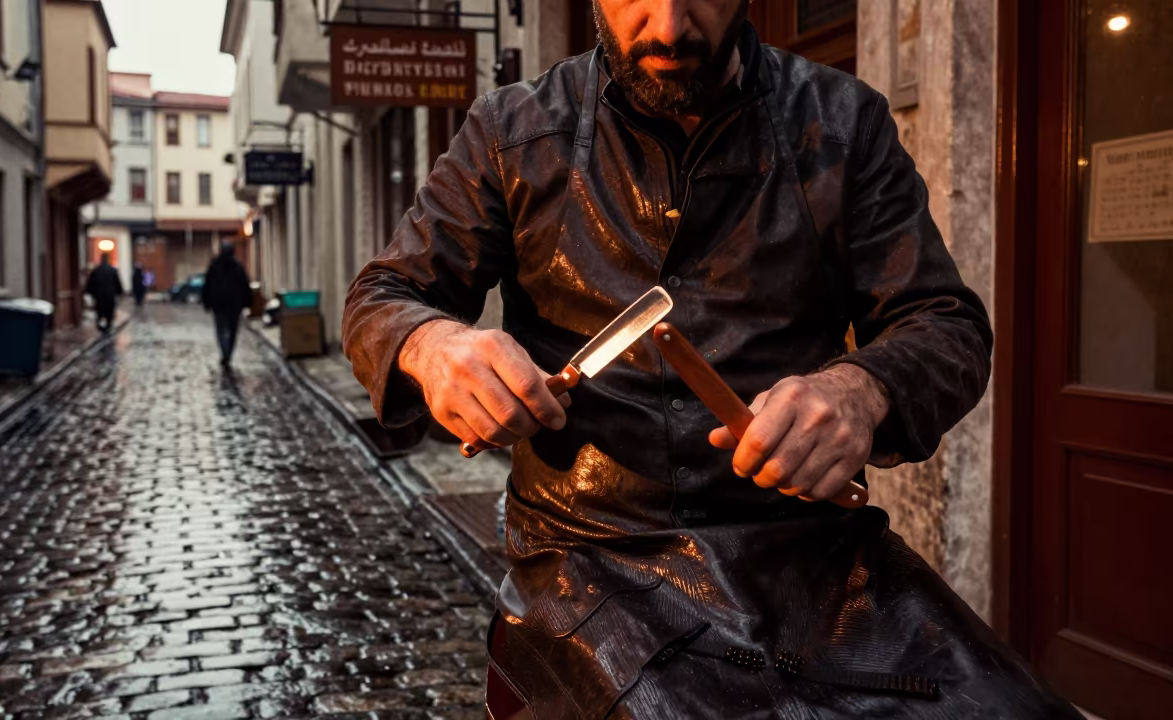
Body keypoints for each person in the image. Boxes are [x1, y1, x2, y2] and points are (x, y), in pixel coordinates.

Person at [343, 3, 1081, 718]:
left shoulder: (843, 122)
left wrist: (864, 388)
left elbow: (947, 323)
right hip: (591, 554)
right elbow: (382, 296)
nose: (668, 27)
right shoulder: (511, 132)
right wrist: (430, 345)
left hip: (815, 559)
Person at [202, 241, 252, 367]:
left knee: (220, 330)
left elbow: (207, 285)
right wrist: (247, 302)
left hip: (218, 304)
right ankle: (228, 353)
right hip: (234, 305)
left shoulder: (214, 266)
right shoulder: (237, 267)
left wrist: (206, 302)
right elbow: (245, 285)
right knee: (232, 330)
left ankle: (225, 352)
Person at [84, 255, 123, 334]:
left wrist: (90, 292)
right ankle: (108, 325)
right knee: (109, 311)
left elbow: (90, 283)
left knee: (100, 311)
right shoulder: (112, 270)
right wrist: (119, 292)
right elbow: (117, 282)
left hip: (99, 295)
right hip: (110, 295)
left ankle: (100, 325)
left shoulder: (96, 270)